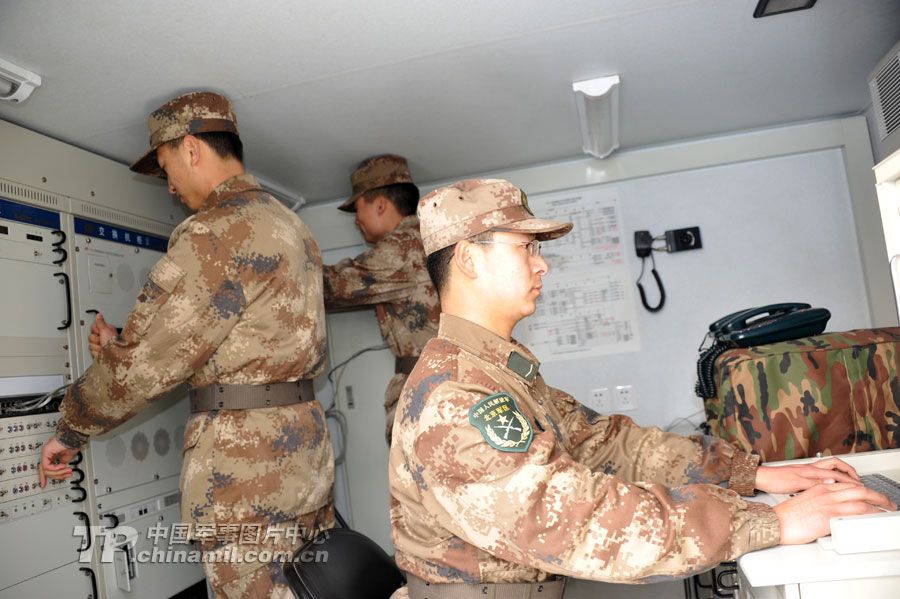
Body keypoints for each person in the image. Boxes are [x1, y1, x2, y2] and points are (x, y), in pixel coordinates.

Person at [388, 178, 895, 598]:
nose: (542, 264)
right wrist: (766, 523)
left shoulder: (494, 372)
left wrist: (755, 475)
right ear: (470, 261)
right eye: (525, 247)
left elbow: (609, 444)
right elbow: (571, 520)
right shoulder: (454, 396)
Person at [39, 91, 334, 599]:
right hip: (302, 455)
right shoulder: (292, 225)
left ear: (191, 148)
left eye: (165, 164)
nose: (171, 187)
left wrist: (70, 428)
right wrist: (126, 344)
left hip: (247, 474)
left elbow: (147, 366)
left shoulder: (216, 231)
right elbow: (238, 339)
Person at [322, 154, 440, 444]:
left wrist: (273, 266)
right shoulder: (429, 236)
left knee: (420, 483)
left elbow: (331, 287)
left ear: (380, 204)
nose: (356, 222)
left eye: (357, 209)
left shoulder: (401, 249)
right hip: (446, 383)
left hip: (432, 391)